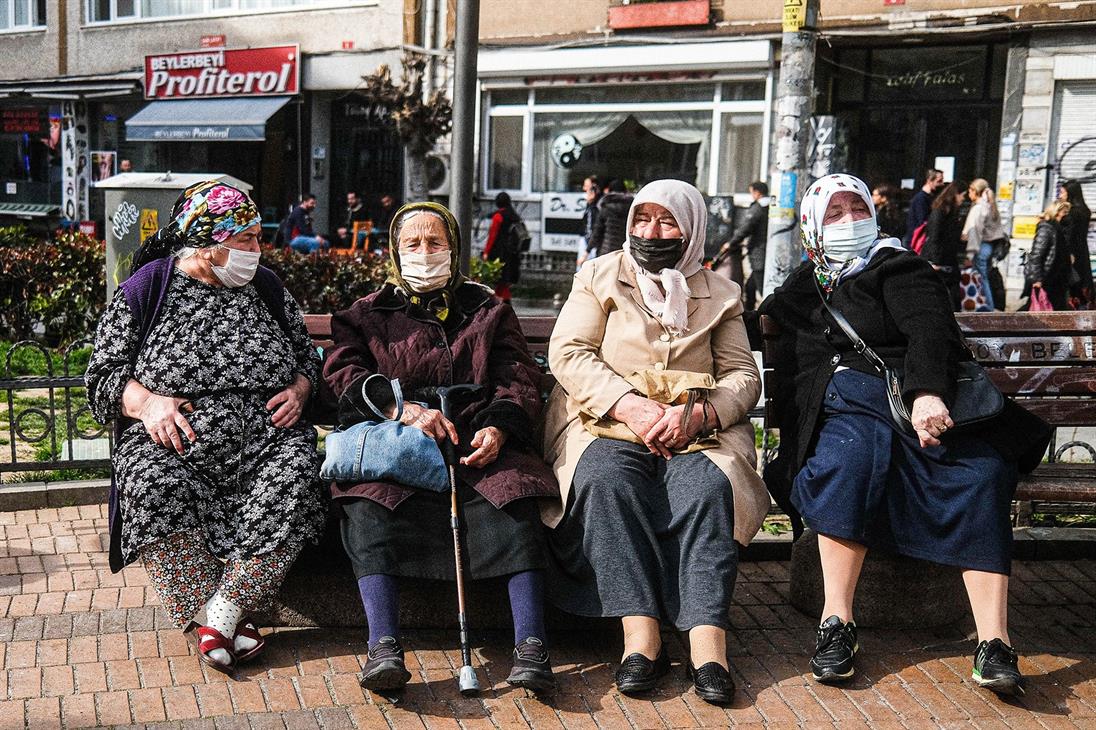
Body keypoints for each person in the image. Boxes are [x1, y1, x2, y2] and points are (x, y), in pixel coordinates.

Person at [755, 173, 1051, 698]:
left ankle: (995, 642)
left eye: (857, 208)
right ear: (812, 227)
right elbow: (761, 323)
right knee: (849, 461)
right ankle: (836, 624)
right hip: (848, 408)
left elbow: (930, 329)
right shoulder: (809, 281)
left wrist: (926, 393)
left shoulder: (899, 266)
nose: (850, 221)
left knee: (981, 473)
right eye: (834, 213)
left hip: (917, 406)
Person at [84, 180, 327, 676]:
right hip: (175, 446)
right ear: (206, 240)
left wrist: (301, 389)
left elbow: (308, 357)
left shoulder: (267, 288)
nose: (257, 250)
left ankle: (222, 613)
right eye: (246, 239)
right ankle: (217, 615)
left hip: (268, 445)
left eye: (260, 238)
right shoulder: (149, 288)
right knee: (148, 480)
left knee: (298, 473)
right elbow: (103, 376)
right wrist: (149, 404)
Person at [543, 179, 771, 705]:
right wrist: (631, 405)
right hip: (607, 419)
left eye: (667, 221)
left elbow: (742, 373)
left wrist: (703, 414)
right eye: (642, 219)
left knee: (709, 488)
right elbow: (570, 351)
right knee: (605, 480)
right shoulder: (599, 275)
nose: (652, 232)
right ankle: (640, 636)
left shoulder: (723, 293)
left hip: (695, 427)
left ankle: (707, 641)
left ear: (691, 227)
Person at [322, 202, 559, 694]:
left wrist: (497, 428)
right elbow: (344, 375)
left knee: (514, 498)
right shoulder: (366, 314)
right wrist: (401, 409)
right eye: (413, 244)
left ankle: (532, 647)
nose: (425, 253)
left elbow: (517, 376)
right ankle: (383, 647)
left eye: (436, 243)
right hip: (399, 445)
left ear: (453, 247)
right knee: (369, 505)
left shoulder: (487, 308)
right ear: (395, 250)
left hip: (475, 439)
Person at [718, 181, 769, 309]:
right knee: (750, 287)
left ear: (757, 192)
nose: (752, 195)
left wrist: (730, 243)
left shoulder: (758, 208)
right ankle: (749, 312)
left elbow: (746, 228)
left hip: (759, 253)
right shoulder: (769, 207)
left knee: (763, 288)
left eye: (752, 192)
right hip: (763, 251)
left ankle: (767, 315)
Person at [963, 179, 1008, 311]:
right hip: (989, 247)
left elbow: (974, 232)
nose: (968, 194)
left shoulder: (978, 208)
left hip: (980, 247)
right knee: (983, 278)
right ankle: (986, 306)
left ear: (975, 191)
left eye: (970, 190)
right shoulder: (990, 206)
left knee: (981, 279)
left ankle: (987, 307)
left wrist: (970, 255)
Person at [922, 181, 967, 310]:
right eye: (962, 196)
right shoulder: (939, 212)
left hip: (949, 260)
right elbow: (934, 237)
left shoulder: (953, 213)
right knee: (938, 294)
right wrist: (935, 261)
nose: (963, 200)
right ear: (954, 195)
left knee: (954, 296)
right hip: (938, 260)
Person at [1025, 200, 1072, 311]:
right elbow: (1036, 255)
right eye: (1064, 212)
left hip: (1056, 279)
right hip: (1046, 279)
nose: (1067, 216)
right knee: (1040, 307)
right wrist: (1037, 279)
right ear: (1056, 212)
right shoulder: (1046, 228)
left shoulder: (1058, 229)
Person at [482, 191, 523, 302]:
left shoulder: (498, 217)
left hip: (499, 253)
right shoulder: (515, 216)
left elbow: (492, 236)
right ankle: (504, 301)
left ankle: (501, 303)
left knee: (498, 279)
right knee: (505, 280)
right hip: (513, 253)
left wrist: (486, 252)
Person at [1059, 180, 1093, 307]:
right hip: (1082, 252)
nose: (1060, 196)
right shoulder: (1085, 211)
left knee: (1072, 286)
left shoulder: (1071, 214)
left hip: (1071, 255)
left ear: (1070, 194)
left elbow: (1068, 236)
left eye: (1062, 192)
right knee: (1081, 286)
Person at [589, 179, 633, 257]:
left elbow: (597, 231)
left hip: (606, 251)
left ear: (609, 190)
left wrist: (587, 250)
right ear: (625, 190)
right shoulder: (631, 207)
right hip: (625, 251)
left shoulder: (605, 206)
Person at [903, 168, 944, 248]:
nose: (942, 184)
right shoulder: (921, 198)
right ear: (929, 181)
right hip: (916, 241)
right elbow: (923, 222)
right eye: (939, 181)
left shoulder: (929, 197)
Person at [577, 175, 601, 269]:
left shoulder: (598, 206)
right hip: (586, 238)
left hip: (593, 242)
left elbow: (596, 226)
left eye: (587, 186)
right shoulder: (589, 205)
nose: (584, 189)